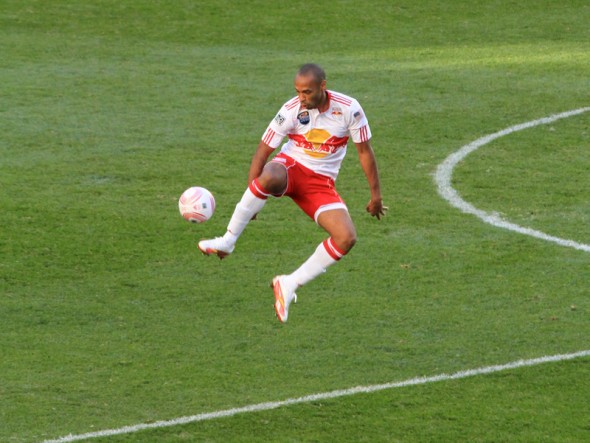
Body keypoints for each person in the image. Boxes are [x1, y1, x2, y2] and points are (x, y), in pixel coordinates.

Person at [198, 63, 386, 323]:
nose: (301, 98)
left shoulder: (349, 109)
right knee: (271, 173)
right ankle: (228, 239)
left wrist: (375, 196)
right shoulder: (290, 110)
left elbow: (365, 152)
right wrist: (251, 202)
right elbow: (262, 152)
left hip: (320, 183)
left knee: (346, 237)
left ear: (323, 86)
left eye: (307, 92)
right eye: (298, 91)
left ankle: (289, 283)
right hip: (291, 167)